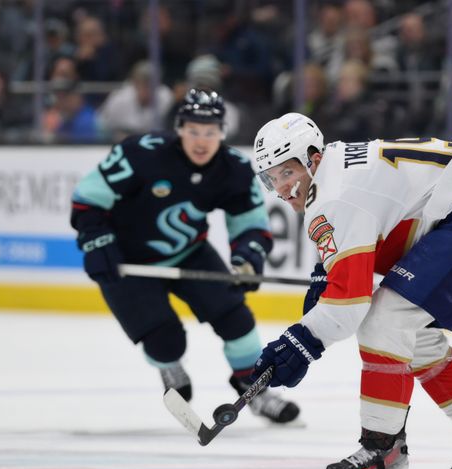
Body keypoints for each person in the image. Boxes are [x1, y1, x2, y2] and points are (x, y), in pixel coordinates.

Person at [249, 113, 452, 469]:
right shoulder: (334, 173)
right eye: (272, 179)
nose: (283, 189)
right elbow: (354, 254)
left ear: (313, 159)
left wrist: (297, 344)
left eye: (287, 173)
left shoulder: (332, 194)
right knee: (405, 329)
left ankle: (382, 450)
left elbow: (349, 305)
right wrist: (322, 289)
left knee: (386, 320)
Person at [69, 89, 299, 424]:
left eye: (210, 132)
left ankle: (254, 388)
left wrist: (248, 256)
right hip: (128, 262)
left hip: (189, 252)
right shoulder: (140, 154)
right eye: (193, 131)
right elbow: (87, 199)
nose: (201, 141)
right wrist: (96, 240)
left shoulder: (233, 169)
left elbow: (250, 225)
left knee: (236, 319)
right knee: (166, 341)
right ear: (179, 129)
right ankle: (169, 367)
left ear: (222, 131)